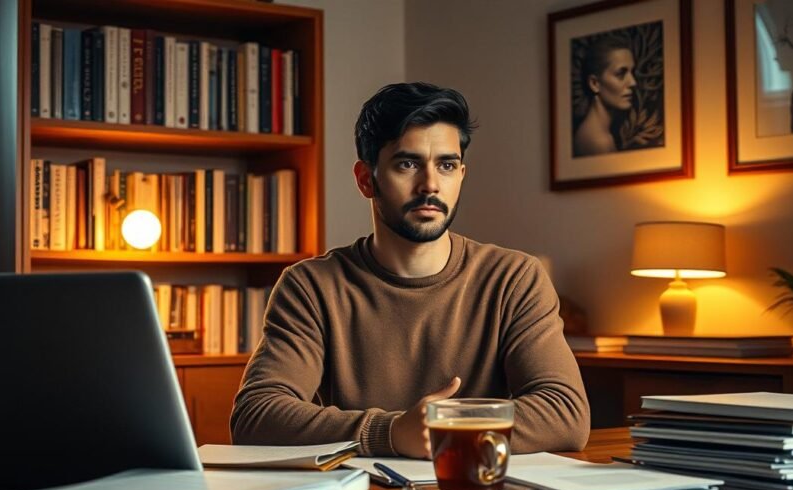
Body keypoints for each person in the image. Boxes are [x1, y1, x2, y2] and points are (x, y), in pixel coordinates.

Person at [231, 82, 589, 458]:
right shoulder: (311, 286)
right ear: (366, 179)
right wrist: (389, 432)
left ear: (461, 175)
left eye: (446, 165)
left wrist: (439, 426)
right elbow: (256, 416)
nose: (430, 184)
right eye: (407, 163)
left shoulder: (514, 278)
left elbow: (565, 414)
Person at [572, 36, 637, 157]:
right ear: (594, 84)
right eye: (620, 74)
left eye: (632, 72)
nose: (633, 82)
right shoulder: (599, 143)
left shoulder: (597, 134)